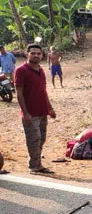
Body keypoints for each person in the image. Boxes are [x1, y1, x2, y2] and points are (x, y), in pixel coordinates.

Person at [15, 44, 56, 175]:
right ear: (27, 54)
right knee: (34, 138)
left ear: (42, 55)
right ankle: (34, 166)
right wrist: (25, 113)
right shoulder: (21, 70)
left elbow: (43, 91)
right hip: (30, 113)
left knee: (41, 138)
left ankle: (37, 163)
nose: (36, 55)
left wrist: (50, 108)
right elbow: (19, 93)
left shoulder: (41, 70)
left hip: (42, 111)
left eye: (38, 53)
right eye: (33, 53)